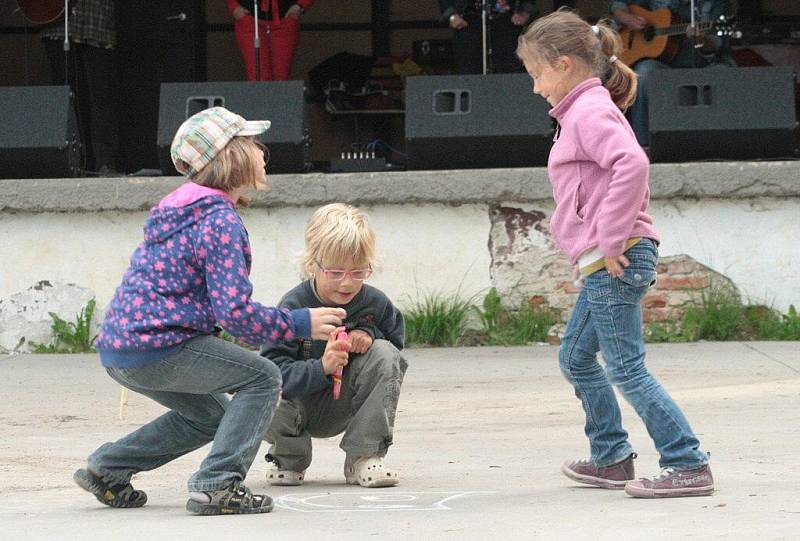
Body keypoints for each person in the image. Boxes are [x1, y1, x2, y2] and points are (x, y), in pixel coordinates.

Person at [74, 107, 346, 515]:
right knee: (262, 377)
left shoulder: (180, 208)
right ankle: (218, 486)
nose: (262, 152)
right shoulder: (218, 219)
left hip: (122, 348)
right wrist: (300, 323)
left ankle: (109, 468)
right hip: (162, 345)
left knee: (212, 415)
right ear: (231, 157)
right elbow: (236, 315)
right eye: (252, 144)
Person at [516, 10, 714, 498]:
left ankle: (687, 462)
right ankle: (611, 458)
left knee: (627, 368)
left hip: (617, 257)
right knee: (576, 358)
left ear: (563, 65)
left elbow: (632, 162)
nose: (537, 86)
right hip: (606, 260)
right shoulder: (581, 111)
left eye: (538, 74)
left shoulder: (589, 111)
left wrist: (608, 236)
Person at [261, 203, 407, 488]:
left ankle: (363, 456)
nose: (347, 283)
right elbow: (273, 371)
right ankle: (289, 457)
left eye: (358, 272)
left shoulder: (375, 303)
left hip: (346, 402)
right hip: (299, 403)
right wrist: (322, 367)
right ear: (313, 265)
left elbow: (395, 349)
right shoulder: (294, 306)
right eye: (336, 272)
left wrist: (370, 332)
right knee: (260, 387)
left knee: (385, 354)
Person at [610, 0, 735, 147]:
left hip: (703, 65)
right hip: (665, 65)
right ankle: (642, 146)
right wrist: (626, 17)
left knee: (725, 74)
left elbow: (718, 44)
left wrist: (702, 40)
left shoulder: (713, 4)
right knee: (643, 73)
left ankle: (722, 145)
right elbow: (619, 4)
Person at [40, 0, 119, 175]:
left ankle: (104, 163)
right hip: (60, 23)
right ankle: (68, 162)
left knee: (101, 97)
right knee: (65, 98)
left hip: (95, 21)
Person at [439, 1, 538, 74]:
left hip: (507, 19)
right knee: (469, 67)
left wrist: (525, 12)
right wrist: (451, 15)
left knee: (510, 66)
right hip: (468, 19)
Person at [227, 0, 314, 81]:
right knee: (259, 77)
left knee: (281, 77)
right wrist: (234, 6)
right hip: (250, 19)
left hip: (285, 19)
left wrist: (300, 5)